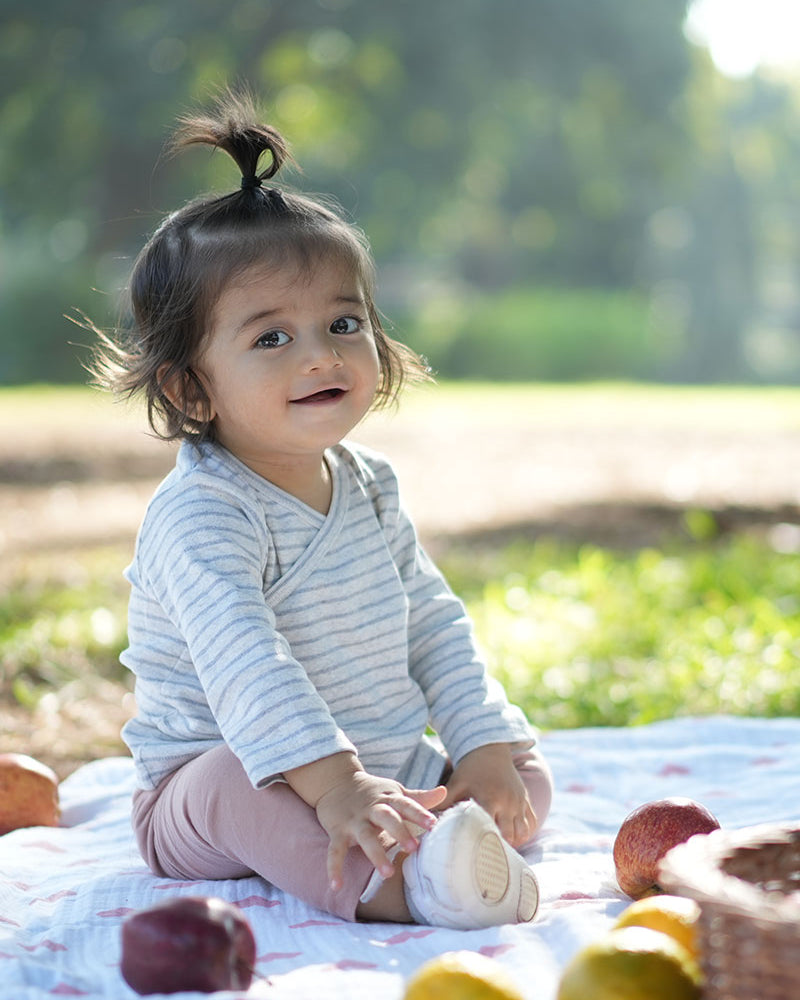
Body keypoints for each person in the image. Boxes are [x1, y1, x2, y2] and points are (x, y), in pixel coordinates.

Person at [92, 90, 554, 927]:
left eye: (343, 322)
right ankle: (399, 890)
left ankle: (440, 841)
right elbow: (247, 666)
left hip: (376, 763)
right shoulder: (204, 512)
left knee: (523, 771)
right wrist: (337, 787)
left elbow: (430, 623)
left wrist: (483, 746)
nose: (320, 355)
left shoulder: (369, 482)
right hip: (223, 785)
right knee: (235, 786)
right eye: (272, 338)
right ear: (190, 387)